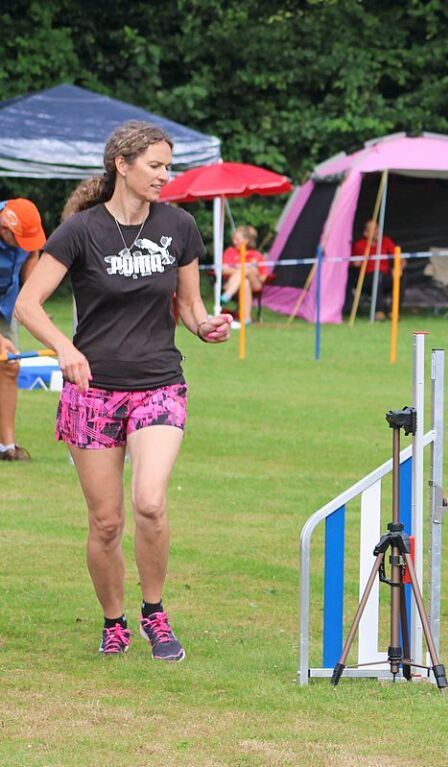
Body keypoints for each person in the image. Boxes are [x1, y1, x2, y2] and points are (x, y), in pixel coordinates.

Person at [15, 120, 232, 661]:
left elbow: (188, 307)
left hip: (159, 382)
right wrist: (65, 348)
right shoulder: (81, 231)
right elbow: (27, 304)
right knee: (107, 521)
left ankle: (155, 613)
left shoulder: (179, 226)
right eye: (155, 166)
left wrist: (206, 326)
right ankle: (114, 622)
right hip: (92, 391)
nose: (165, 175)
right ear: (123, 165)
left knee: (150, 503)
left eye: (167, 165)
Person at [0, 198, 45, 461]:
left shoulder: (26, 224)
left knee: (9, 365)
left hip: (6, 305)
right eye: (20, 240)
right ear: (5, 228)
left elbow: (34, 251)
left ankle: (6, 447)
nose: (25, 245)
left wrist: (31, 295)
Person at [347, 219, 400, 319]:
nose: (377, 232)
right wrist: (354, 263)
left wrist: (399, 268)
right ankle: (378, 311)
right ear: (366, 233)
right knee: (376, 274)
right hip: (366, 280)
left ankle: (394, 311)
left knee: (400, 276)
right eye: (374, 229)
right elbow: (347, 263)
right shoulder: (359, 245)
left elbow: (401, 258)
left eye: (378, 229)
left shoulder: (386, 241)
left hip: (385, 277)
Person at [220, 224, 268, 320]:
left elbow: (263, 277)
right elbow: (224, 270)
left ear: (246, 241)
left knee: (246, 270)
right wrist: (242, 270)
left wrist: (252, 272)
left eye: (237, 239)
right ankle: (246, 318)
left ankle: (227, 295)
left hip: (255, 283)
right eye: (234, 239)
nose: (234, 242)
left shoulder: (257, 255)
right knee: (245, 282)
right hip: (233, 283)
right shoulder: (230, 252)